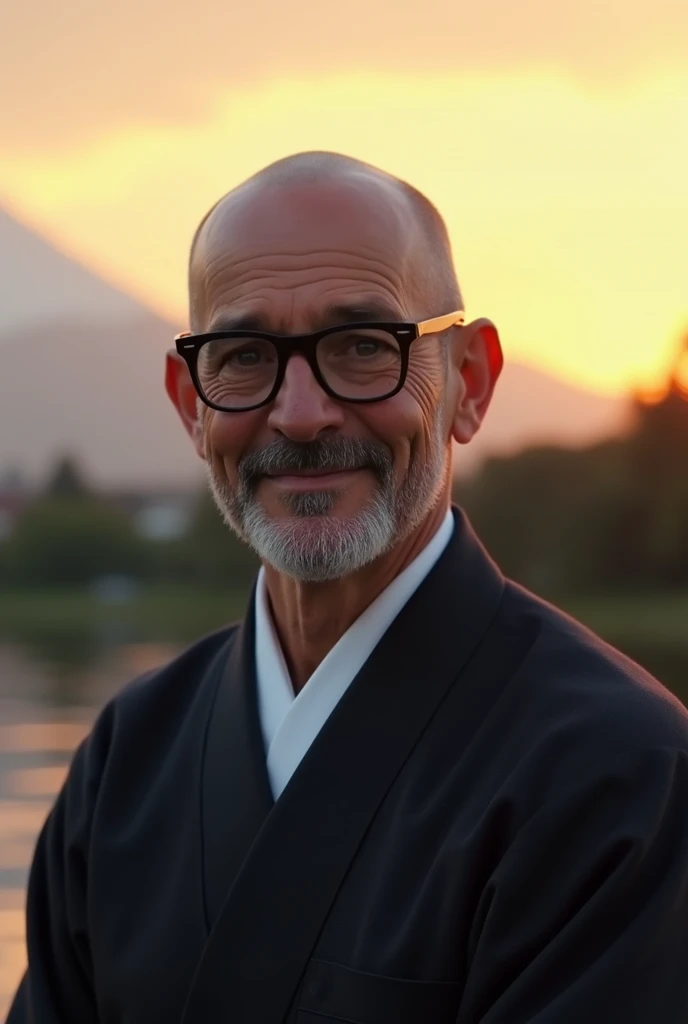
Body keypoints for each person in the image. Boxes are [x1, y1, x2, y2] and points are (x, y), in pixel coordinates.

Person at [8, 151, 688, 1024]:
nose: (300, 414)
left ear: (469, 384)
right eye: (245, 356)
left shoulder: (623, 774)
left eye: (364, 347)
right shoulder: (130, 756)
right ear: (190, 404)